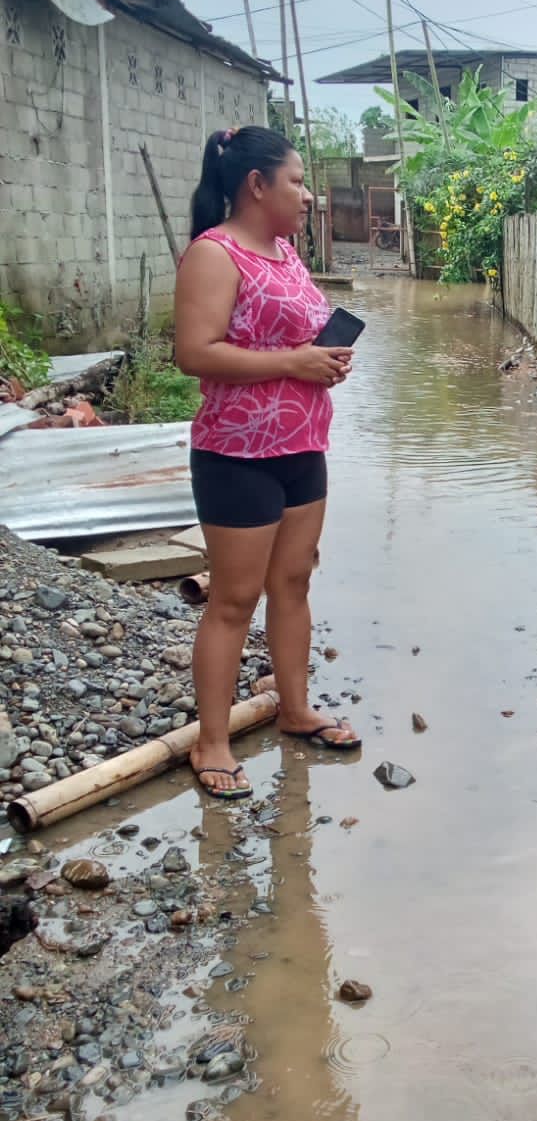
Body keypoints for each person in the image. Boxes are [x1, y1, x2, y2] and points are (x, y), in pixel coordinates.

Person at [174, 125, 360, 801]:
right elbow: (195, 352)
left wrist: (324, 360)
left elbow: (296, 340)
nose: (308, 196)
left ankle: (295, 708)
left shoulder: (285, 254)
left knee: (294, 583)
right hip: (237, 455)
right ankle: (212, 741)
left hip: (302, 447)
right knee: (233, 600)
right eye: (297, 182)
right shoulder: (213, 254)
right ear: (257, 185)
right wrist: (293, 363)